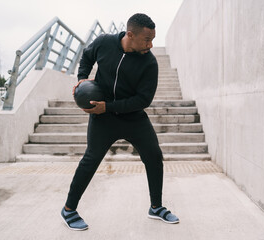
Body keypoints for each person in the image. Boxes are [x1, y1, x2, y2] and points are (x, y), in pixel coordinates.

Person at [60, 13, 180, 231]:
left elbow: (143, 99)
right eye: (147, 40)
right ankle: (69, 209)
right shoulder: (104, 43)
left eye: (153, 39)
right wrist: (82, 79)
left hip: (132, 117)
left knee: (153, 156)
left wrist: (109, 106)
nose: (151, 45)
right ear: (130, 35)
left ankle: (156, 207)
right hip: (102, 119)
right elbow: (86, 57)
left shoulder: (149, 63)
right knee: (90, 160)